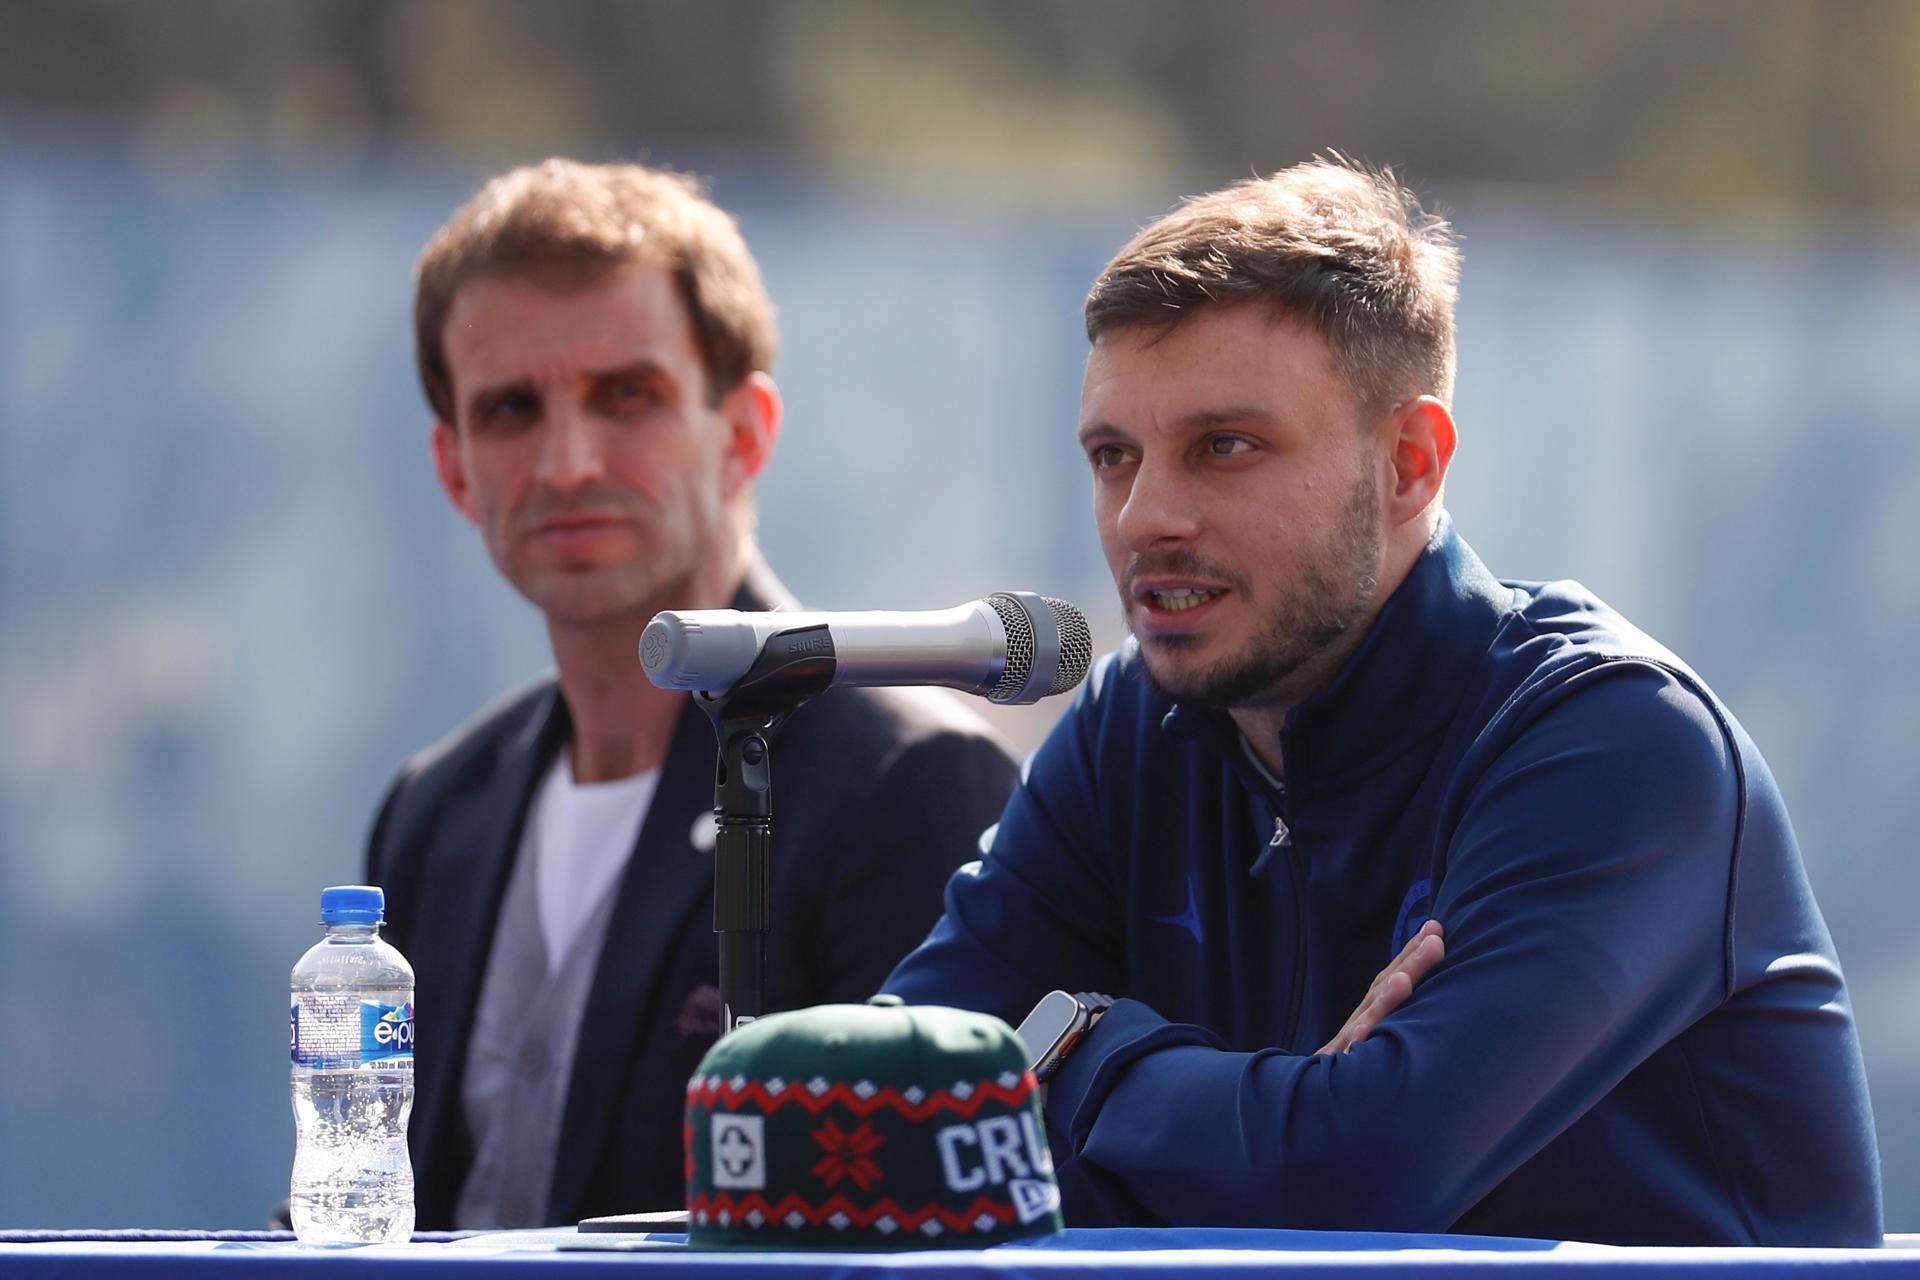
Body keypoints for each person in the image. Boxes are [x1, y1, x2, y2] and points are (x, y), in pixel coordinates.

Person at [883, 157, 1883, 1246]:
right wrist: (1271, 1118)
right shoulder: (1134, 723)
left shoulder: (1618, 741)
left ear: (1410, 463)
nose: (1144, 515)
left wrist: (1075, 1050)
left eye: (1225, 446)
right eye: (1113, 455)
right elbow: (880, 1112)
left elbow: (1351, 1185)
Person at [367, 159, 1019, 1230]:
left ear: (745, 432)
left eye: (627, 395)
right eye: (513, 408)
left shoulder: (907, 781)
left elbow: (929, 1235)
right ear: (454, 467)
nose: (567, 462)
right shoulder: (435, 810)